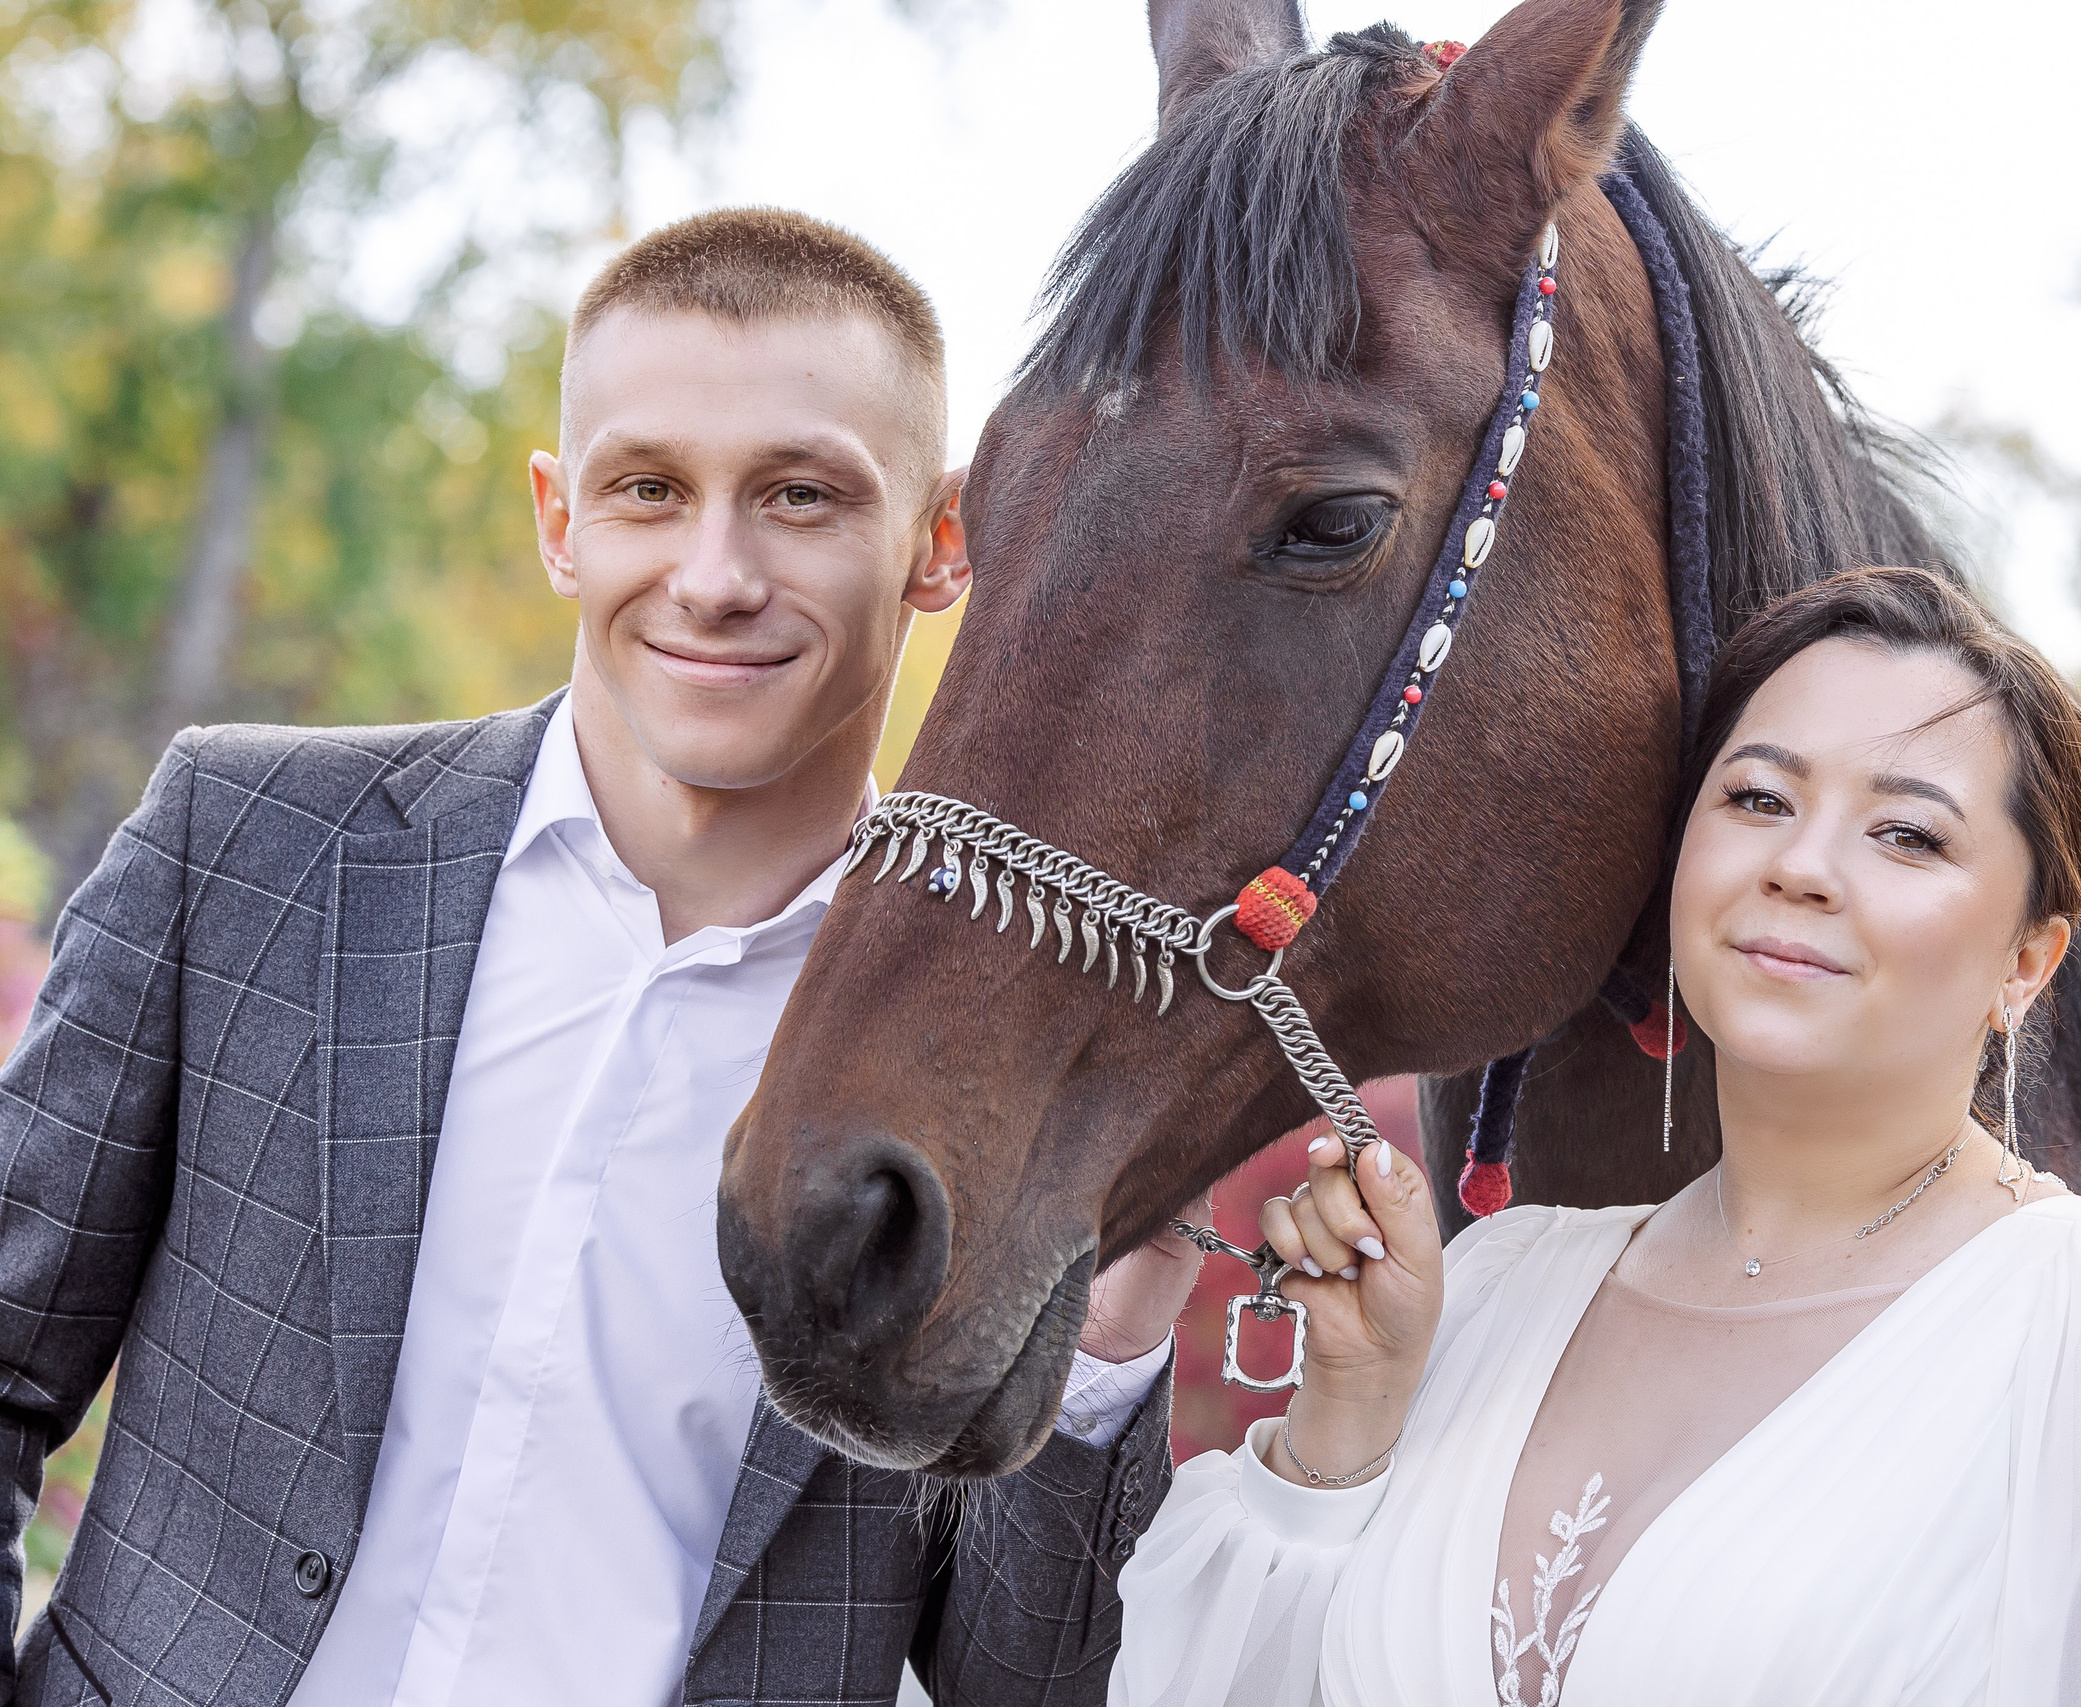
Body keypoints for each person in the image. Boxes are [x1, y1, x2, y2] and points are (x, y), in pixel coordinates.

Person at [0, 208, 1198, 1707]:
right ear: (562, 521)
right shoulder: (241, 844)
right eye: (650, 489)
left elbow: (1024, 1677)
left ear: (940, 543)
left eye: (802, 496)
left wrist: (1104, 1344)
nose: (713, 574)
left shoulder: (1000, 1048)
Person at [1111, 566, 2081, 1706]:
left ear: (2026, 961)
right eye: (1757, 799)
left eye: (1906, 834)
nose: (1800, 866)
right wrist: (1351, 1413)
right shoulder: (1496, 1292)